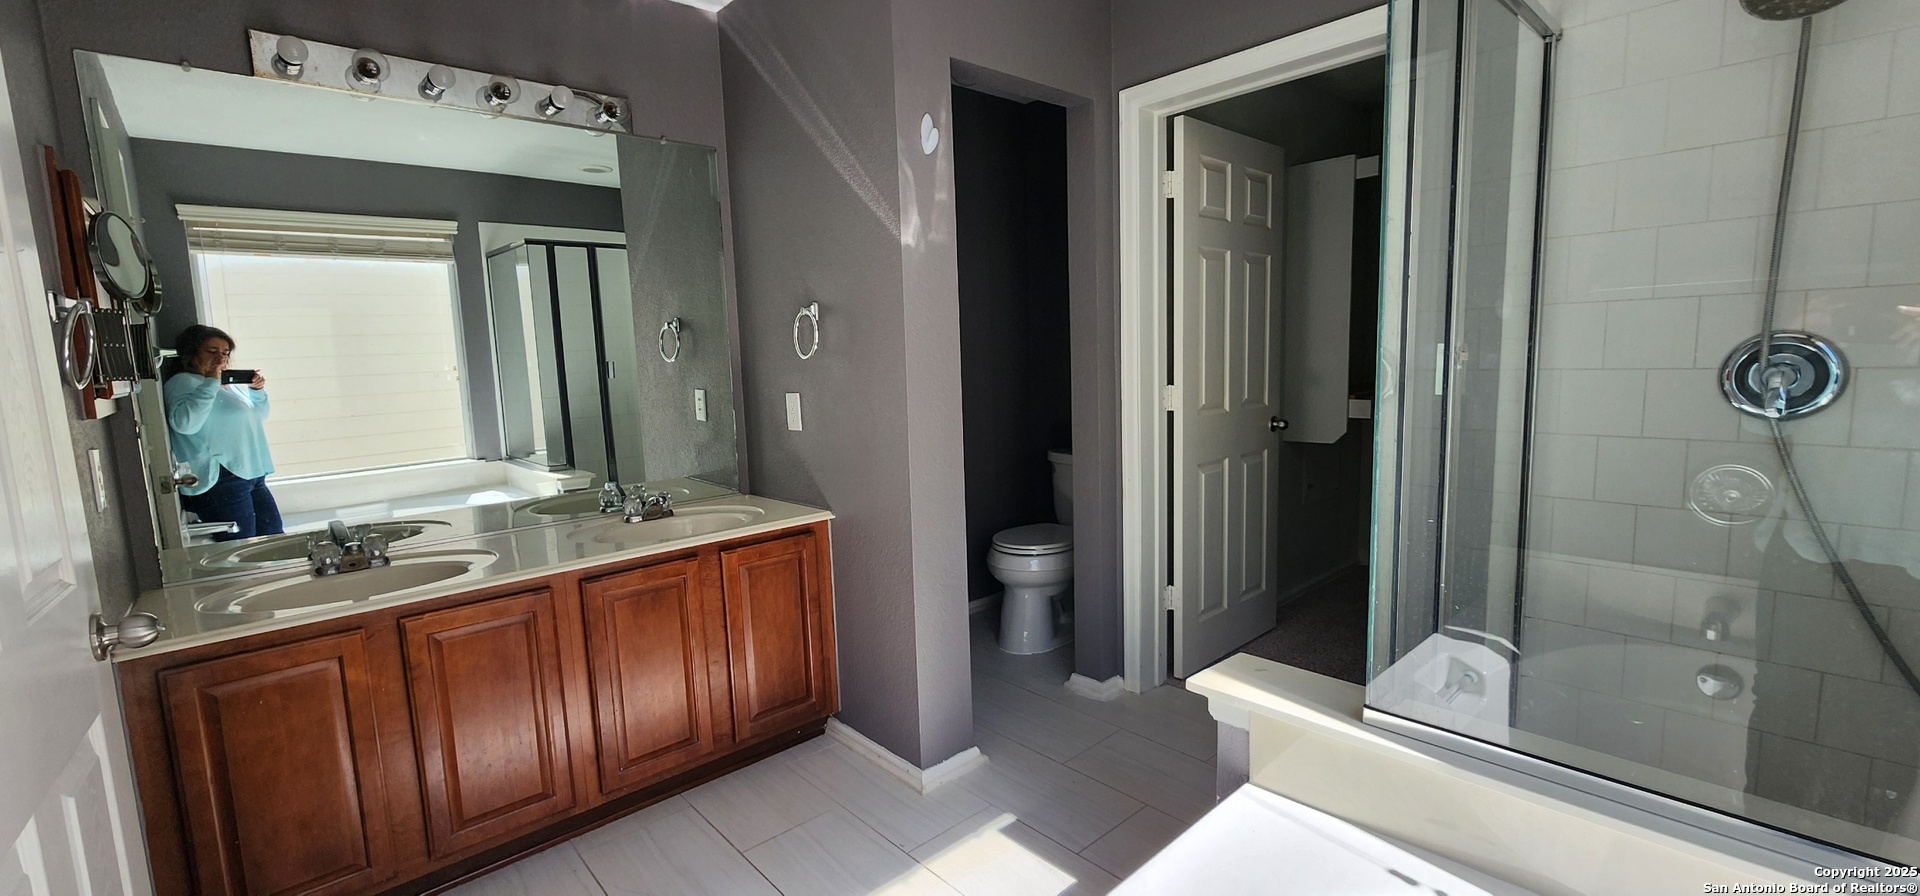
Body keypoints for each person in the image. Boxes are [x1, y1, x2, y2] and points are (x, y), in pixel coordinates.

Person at [164, 324, 282, 541]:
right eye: (212, 352)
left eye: (225, 353)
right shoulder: (182, 383)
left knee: (274, 542)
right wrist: (210, 382)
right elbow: (185, 424)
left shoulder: (224, 385)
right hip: (221, 478)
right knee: (240, 550)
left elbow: (258, 416)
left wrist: (257, 392)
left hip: (250, 473)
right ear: (192, 353)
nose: (220, 358)